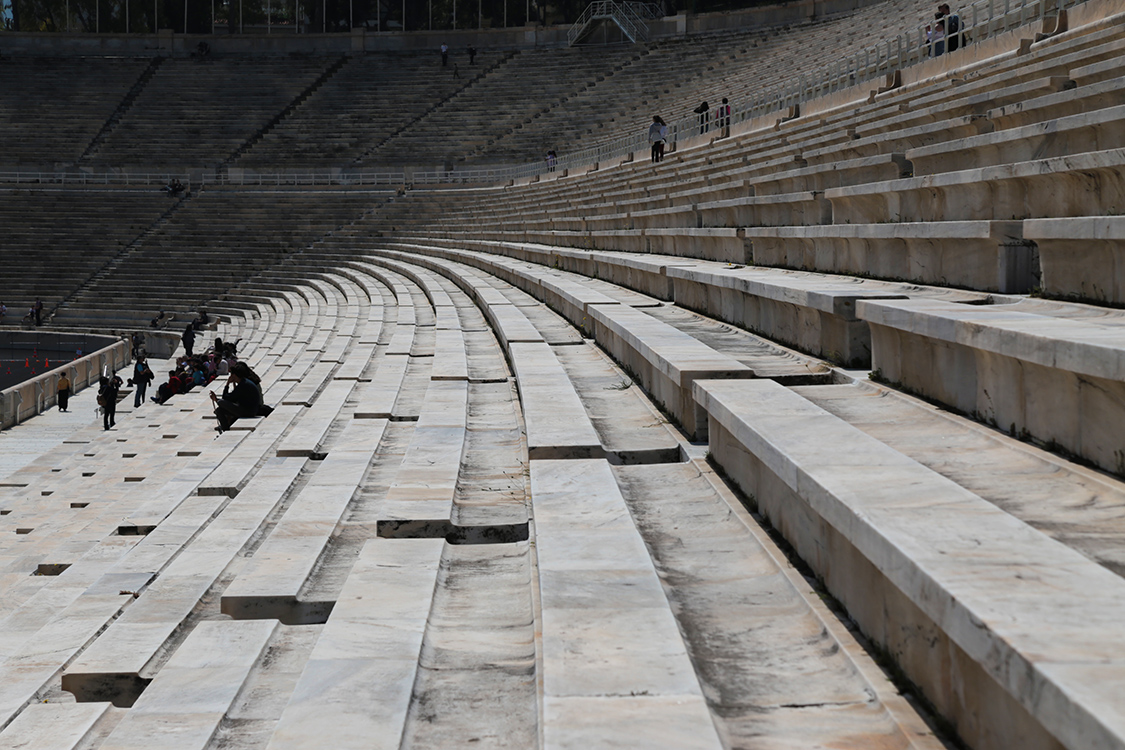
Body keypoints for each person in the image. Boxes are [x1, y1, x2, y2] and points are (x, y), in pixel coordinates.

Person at [210, 361, 263, 433]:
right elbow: (230, 398)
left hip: (249, 411)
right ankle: (225, 429)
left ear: (234, 375)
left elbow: (226, 398)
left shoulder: (244, 384)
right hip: (247, 409)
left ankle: (226, 428)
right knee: (219, 410)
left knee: (221, 402)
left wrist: (227, 384)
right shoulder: (243, 382)